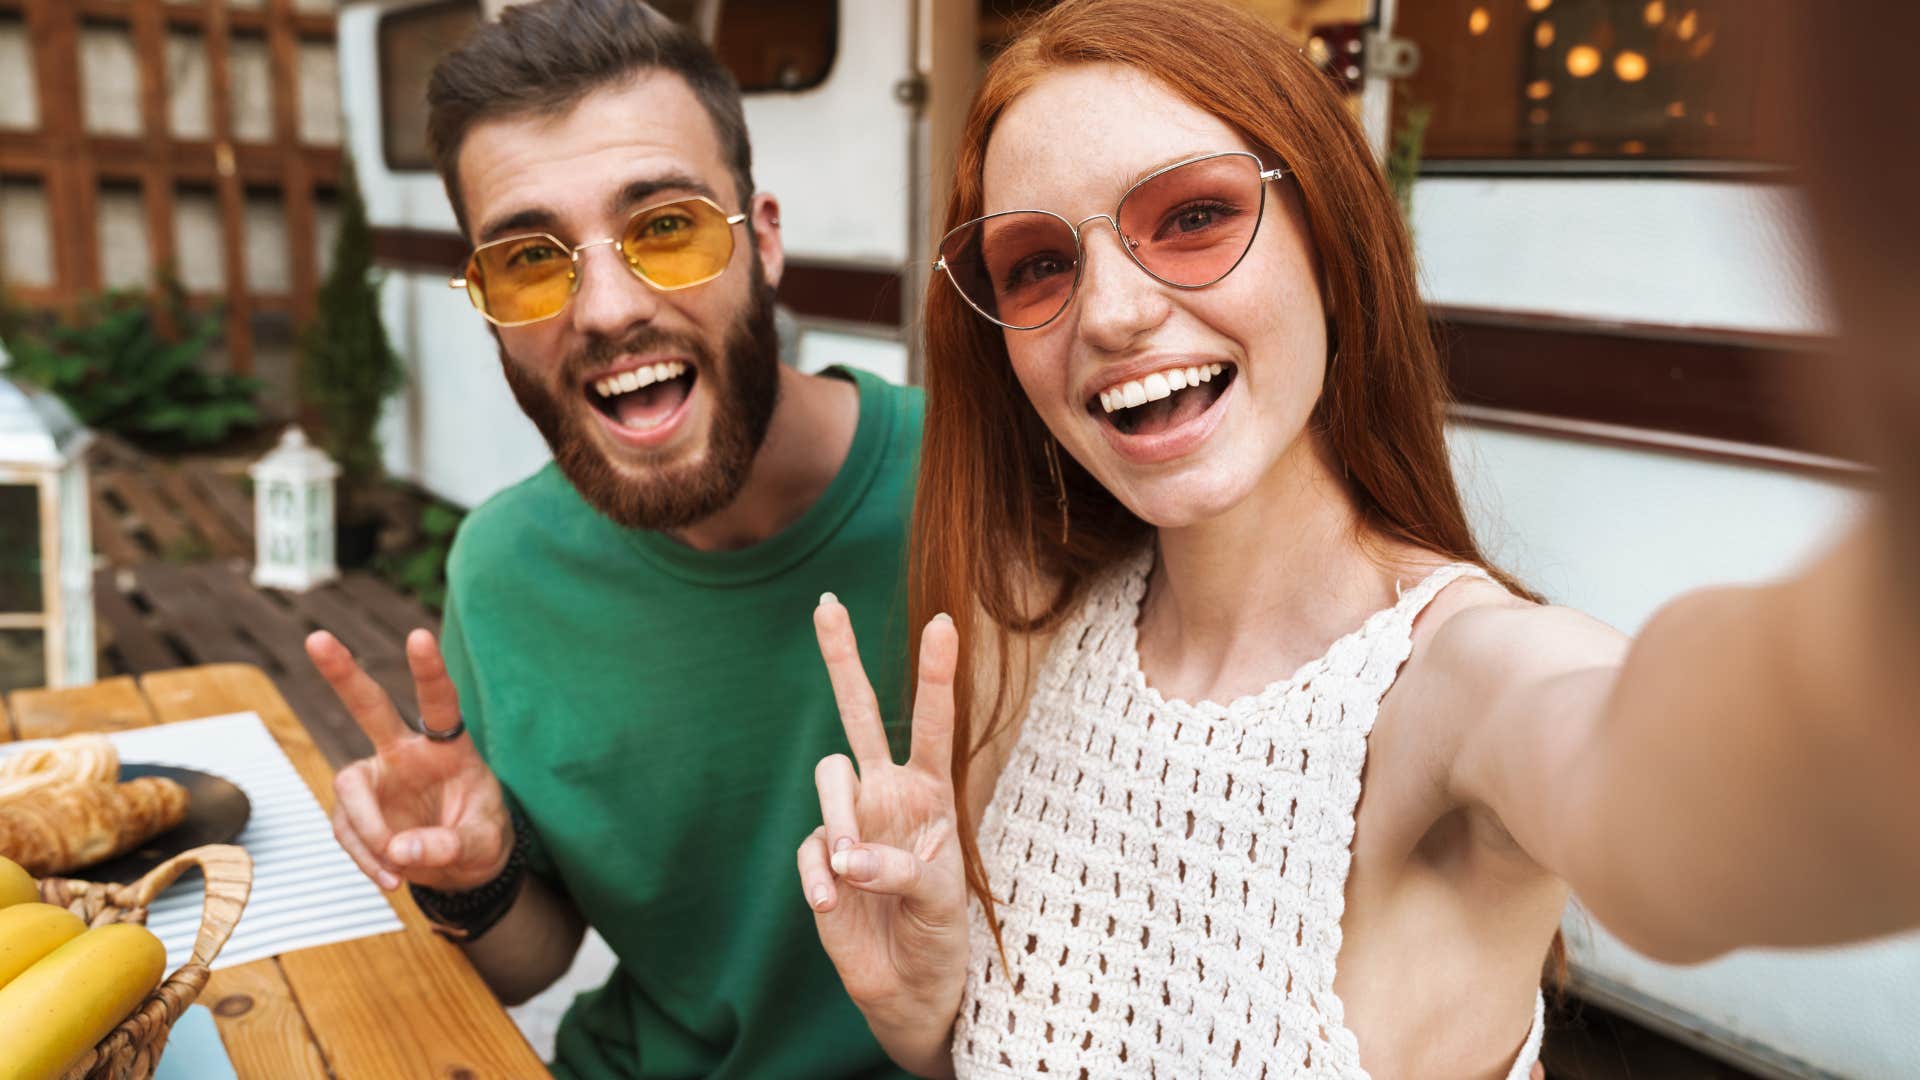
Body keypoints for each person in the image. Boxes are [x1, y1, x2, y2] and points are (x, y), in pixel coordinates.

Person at [792, 1, 1920, 1077]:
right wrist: (923, 1010)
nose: (1111, 313)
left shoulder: (1460, 678)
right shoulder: (1029, 630)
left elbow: (1685, 798)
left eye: (1192, 218)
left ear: (1330, 236)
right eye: (1039, 264)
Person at [304, 2, 921, 1076]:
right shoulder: (504, 571)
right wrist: (476, 872)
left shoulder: (981, 486)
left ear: (763, 240)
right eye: (530, 259)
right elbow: (532, 963)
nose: (603, 310)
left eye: (667, 229)